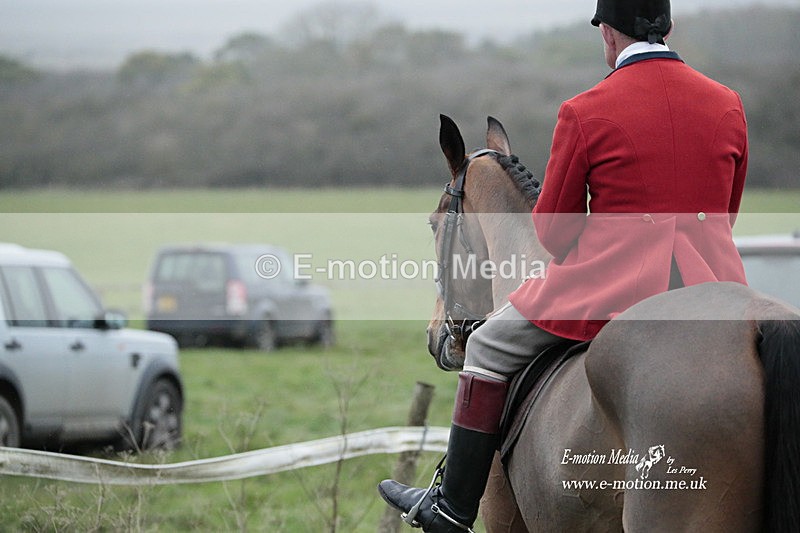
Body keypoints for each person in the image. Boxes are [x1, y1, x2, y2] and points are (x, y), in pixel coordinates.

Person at [378, 0, 749, 530]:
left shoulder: (586, 109)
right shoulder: (728, 102)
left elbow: (553, 232)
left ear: (609, 34)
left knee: (486, 343)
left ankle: (452, 509)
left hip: (616, 284)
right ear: (669, 27)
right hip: (713, 285)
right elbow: (727, 212)